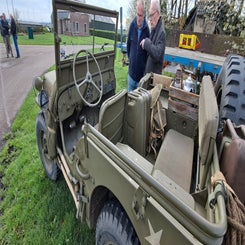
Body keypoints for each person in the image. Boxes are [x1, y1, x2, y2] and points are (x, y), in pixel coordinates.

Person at [127, 0, 150, 91]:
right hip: (131, 75)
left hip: (141, 78)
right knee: (128, 102)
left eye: (140, 15)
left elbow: (148, 54)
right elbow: (128, 45)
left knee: (138, 104)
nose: (138, 18)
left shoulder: (147, 30)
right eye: (137, 14)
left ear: (144, 15)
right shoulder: (132, 25)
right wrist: (131, 61)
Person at [140, 0, 165, 74]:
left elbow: (157, 55)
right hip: (149, 76)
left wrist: (146, 43)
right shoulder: (154, 29)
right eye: (149, 15)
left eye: (151, 15)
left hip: (154, 79)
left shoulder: (161, 32)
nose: (150, 19)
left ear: (157, 14)